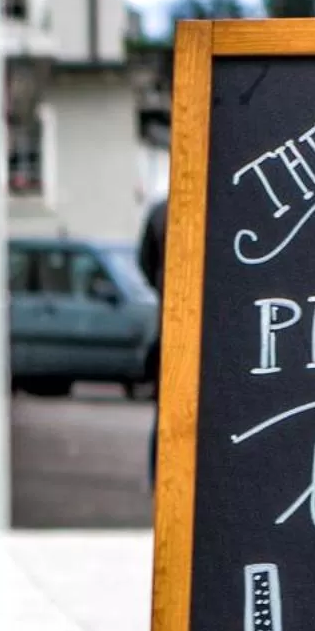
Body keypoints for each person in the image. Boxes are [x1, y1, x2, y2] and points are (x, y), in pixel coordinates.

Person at [137, 197, 167, 485]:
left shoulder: (160, 211)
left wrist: (162, 285)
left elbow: (144, 264)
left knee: (164, 408)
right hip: (173, 317)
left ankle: (157, 477)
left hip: (168, 317)